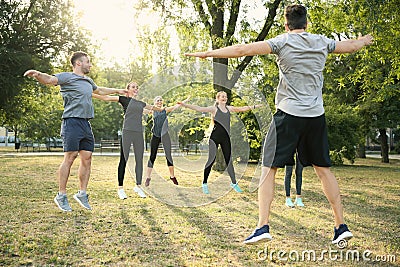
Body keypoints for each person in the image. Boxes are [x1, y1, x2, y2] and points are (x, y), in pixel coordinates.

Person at [185, 4, 373, 245]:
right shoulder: (322, 42)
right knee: (323, 169)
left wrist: (207, 54)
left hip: (288, 115)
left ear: (286, 25)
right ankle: (340, 226)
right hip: (316, 116)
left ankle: (262, 225)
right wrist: (363, 40)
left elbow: (242, 49)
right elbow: (350, 46)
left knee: (268, 168)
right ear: (307, 23)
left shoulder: (281, 42)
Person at [24, 51, 128, 212]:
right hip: (71, 121)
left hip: (86, 123)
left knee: (87, 157)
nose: (90, 65)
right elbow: (50, 80)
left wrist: (119, 90)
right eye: (88, 62)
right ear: (78, 63)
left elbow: (99, 90)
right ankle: (61, 195)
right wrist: (37, 74)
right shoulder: (67, 77)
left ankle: (82, 193)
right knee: (70, 157)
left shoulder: (88, 81)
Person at [92, 82, 165, 199]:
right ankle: (120, 188)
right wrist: (89, 93)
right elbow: (105, 97)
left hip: (138, 133)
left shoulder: (141, 104)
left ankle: (138, 186)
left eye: (137, 87)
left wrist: (164, 107)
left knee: (139, 160)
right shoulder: (123, 99)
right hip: (127, 132)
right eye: (133, 87)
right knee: (123, 159)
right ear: (128, 89)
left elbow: (155, 108)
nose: (136, 89)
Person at [179, 91, 261, 194]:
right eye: (222, 97)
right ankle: (204, 183)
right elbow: (199, 108)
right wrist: (184, 104)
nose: (224, 98)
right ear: (218, 99)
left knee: (229, 160)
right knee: (211, 160)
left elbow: (242, 109)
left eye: (225, 97)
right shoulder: (214, 109)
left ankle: (234, 183)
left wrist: (254, 106)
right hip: (214, 138)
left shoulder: (229, 108)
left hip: (225, 138)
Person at [144, 96, 188, 187]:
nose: (159, 102)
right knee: (152, 156)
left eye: (160, 100)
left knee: (168, 155)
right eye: (157, 100)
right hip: (156, 135)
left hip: (165, 135)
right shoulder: (153, 111)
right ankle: (148, 177)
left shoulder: (165, 110)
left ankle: (172, 176)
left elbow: (176, 106)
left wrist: (185, 101)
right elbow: (141, 110)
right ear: (154, 102)